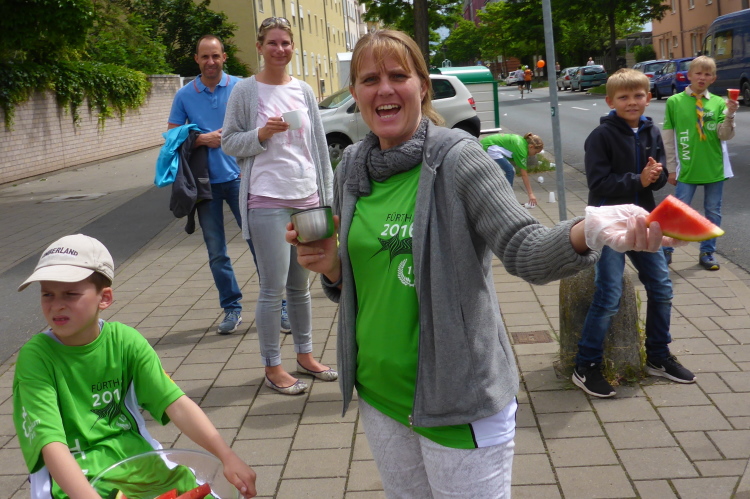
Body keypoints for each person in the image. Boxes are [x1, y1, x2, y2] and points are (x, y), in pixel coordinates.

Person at [286, 29, 668, 498]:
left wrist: (589, 229)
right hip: (378, 395)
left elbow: (524, 247)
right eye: (369, 79)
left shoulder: (459, 161)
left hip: (458, 400)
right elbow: (365, 281)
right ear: (355, 93)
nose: (384, 89)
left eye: (398, 76)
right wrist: (332, 267)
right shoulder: (351, 168)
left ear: (422, 86)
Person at [12, 234, 257, 499]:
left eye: (71, 294)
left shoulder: (125, 341)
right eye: (47, 294)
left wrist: (226, 455)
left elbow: (175, 403)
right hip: (78, 475)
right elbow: (50, 443)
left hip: (139, 463)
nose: (57, 305)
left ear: (104, 298)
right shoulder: (36, 357)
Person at [221, 17, 337, 395]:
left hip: (306, 198)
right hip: (267, 199)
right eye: (272, 43)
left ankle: (306, 356)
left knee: (301, 287)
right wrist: (261, 133)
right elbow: (229, 142)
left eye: (286, 43)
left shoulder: (303, 90)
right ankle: (273, 367)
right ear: (260, 47)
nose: (280, 49)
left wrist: (327, 198)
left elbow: (318, 148)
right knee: (273, 289)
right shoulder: (245, 90)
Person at [573, 69, 696, 398]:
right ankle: (585, 365)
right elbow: (598, 183)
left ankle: (658, 356)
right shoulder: (600, 137)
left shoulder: (651, 130)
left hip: (643, 219)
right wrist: (637, 180)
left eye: (638, 95)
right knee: (609, 296)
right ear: (610, 101)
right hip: (610, 225)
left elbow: (657, 179)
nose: (632, 102)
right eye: (623, 97)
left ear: (648, 97)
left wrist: (656, 176)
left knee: (662, 288)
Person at [168, 35, 291, 335]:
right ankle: (232, 308)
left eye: (215, 56)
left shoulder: (242, 87)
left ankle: (280, 306)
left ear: (224, 57)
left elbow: (261, 125)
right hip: (204, 185)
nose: (210, 62)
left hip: (242, 179)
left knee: (260, 246)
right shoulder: (184, 95)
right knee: (217, 252)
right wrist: (202, 139)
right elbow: (171, 137)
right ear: (196, 60)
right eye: (204, 56)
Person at [661, 55, 739, 270]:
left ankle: (707, 252)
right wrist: (670, 169)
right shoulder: (674, 102)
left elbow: (724, 135)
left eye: (707, 74)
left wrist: (730, 115)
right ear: (689, 75)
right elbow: (668, 138)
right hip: (687, 166)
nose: (702, 78)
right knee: (679, 210)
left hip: (714, 167)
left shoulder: (719, 103)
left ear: (713, 78)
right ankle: (666, 251)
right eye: (698, 73)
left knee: (713, 211)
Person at [480, 132, 542, 207]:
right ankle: (508, 200)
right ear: (531, 146)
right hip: (489, 147)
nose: (534, 154)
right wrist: (531, 194)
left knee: (504, 171)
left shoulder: (523, 142)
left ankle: (501, 197)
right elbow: (524, 175)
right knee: (510, 170)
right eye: (535, 152)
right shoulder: (521, 150)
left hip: (488, 144)